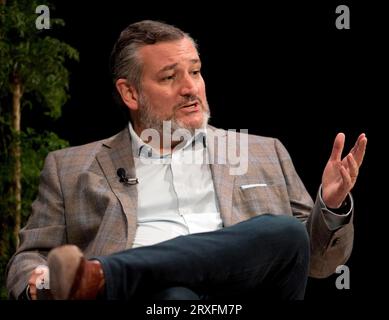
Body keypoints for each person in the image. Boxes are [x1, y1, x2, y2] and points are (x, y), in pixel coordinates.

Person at [6, 20, 367, 300]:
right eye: (169, 77)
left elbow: (317, 262)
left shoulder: (263, 150)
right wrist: (40, 280)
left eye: (195, 71)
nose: (191, 87)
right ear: (129, 92)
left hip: (248, 294)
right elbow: (29, 257)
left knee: (284, 232)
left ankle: (102, 276)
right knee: (174, 296)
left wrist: (331, 205)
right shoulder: (69, 167)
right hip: (149, 301)